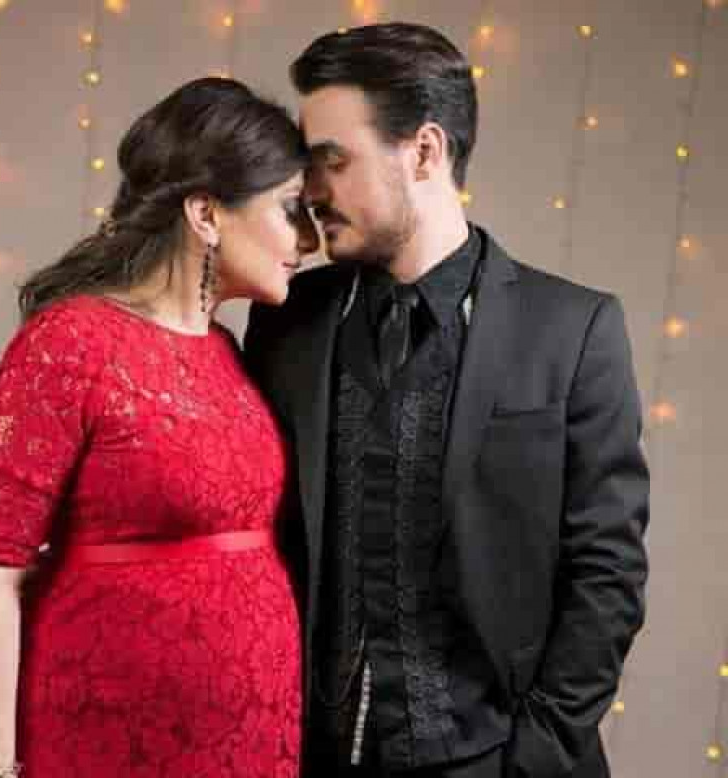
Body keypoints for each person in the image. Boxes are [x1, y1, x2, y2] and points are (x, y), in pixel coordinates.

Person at [244, 23, 650, 778]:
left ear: (425, 151)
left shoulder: (572, 330)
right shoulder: (286, 319)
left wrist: (532, 757)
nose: (312, 191)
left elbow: (608, 573)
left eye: (334, 160)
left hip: (496, 759)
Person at [0, 76, 318, 778]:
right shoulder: (70, 342)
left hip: (254, 742)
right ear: (206, 213)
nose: (307, 239)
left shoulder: (228, 351)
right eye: (288, 209)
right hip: (109, 738)